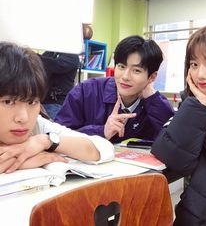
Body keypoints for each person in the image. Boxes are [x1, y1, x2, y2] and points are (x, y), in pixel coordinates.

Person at [151, 24, 206, 225]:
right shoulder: (193, 108)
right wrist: (199, 106)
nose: (200, 75)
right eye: (194, 64)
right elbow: (173, 159)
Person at [0, 42, 114, 174]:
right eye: (8, 102)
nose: (23, 118)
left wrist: (46, 141)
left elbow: (105, 148)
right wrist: (21, 162)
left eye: (32, 102)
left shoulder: (38, 125)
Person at [55, 35, 174, 143]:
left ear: (152, 77)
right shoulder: (85, 91)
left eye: (136, 70)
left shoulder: (154, 103)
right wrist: (102, 131)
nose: (125, 77)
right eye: (121, 66)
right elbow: (57, 136)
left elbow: (173, 140)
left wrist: (153, 100)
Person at [38, 51, 80, 120]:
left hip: (57, 103)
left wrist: (34, 57)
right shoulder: (49, 52)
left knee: (50, 129)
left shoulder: (72, 56)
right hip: (42, 101)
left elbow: (55, 65)